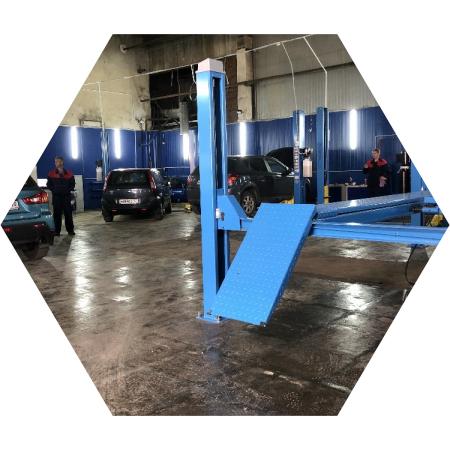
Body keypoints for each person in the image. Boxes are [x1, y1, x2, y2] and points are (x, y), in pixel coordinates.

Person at [47, 156, 75, 236]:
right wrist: (55, 190)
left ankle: (70, 230)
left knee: (68, 214)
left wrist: (67, 190)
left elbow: (72, 184)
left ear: (62, 162)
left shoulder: (69, 174)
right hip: (56, 198)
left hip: (66, 197)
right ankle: (57, 231)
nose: (58, 163)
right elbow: (49, 185)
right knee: (57, 215)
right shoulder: (51, 174)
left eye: (59, 161)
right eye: (56, 162)